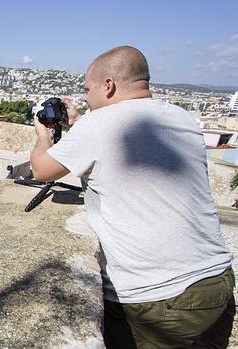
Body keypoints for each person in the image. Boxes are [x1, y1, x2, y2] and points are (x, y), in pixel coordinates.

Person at [30, 46, 234, 348]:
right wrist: (79, 122)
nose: (86, 99)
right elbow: (122, 143)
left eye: (88, 90)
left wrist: (43, 134)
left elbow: (41, 170)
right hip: (217, 282)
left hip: (161, 297)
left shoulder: (97, 125)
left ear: (108, 85)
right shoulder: (182, 118)